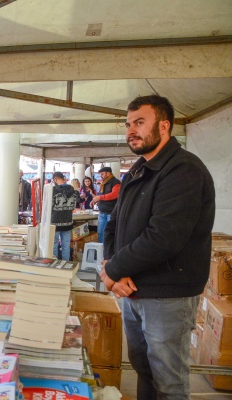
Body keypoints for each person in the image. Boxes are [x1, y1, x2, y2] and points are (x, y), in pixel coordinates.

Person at [100, 95, 215, 399]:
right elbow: (113, 225)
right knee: (144, 371)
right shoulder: (137, 171)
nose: (131, 131)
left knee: (169, 381)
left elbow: (163, 237)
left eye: (140, 122)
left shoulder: (183, 170)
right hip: (133, 288)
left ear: (164, 126)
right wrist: (113, 268)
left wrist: (112, 270)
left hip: (167, 294)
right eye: (128, 124)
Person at [50, 172, 76, 261]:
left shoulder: (53, 190)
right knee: (66, 244)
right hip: (68, 221)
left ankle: (55, 264)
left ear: (55, 179)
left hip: (55, 221)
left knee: (54, 244)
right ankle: (66, 265)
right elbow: (73, 206)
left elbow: (50, 206)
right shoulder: (72, 189)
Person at [91, 166, 120, 243]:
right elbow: (100, 195)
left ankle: (109, 252)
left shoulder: (116, 182)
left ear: (108, 173)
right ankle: (101, 251)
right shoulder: (103, 184)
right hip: (102, 212)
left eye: (102, 174)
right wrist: (94, 200)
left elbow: (114, 194)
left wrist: (100, 198)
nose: (101, 176)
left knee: (110, 233)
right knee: (100, 233)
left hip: (111, 213)